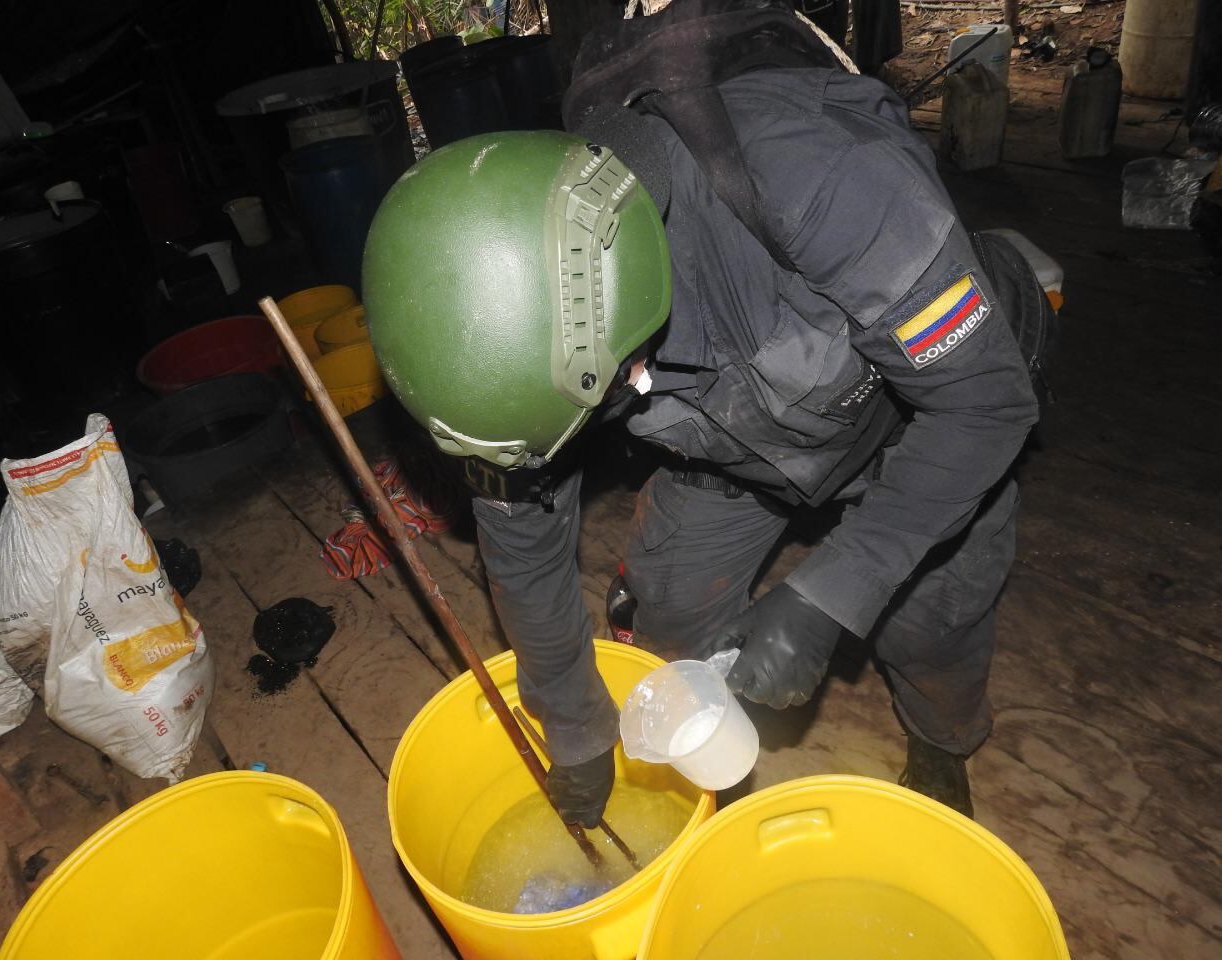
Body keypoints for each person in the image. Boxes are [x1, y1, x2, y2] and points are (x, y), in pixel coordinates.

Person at [363, 6, 1046, 824]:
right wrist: (575, 729)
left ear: (635, 316)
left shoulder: (828, 181)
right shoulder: (507, 352)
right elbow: (525, 548)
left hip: (912, 422)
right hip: (733, 450)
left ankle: (942, 741)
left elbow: (985, 402)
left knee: (930, 623)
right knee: (676, 615)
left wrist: (834, 590)